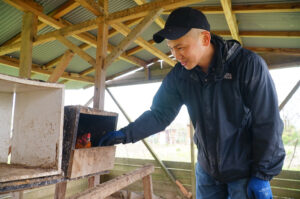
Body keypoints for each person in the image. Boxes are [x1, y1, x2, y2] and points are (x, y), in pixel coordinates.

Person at [99, 7, 285, 199]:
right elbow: (160, 114)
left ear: (205, 39)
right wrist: (124, 134)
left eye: (180, 47)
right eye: (171, 49)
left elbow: (268, 121)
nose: (176, 55)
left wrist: (262, 174)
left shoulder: (247, 65)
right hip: (207, 172)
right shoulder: (180, 76)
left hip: (243, 172)